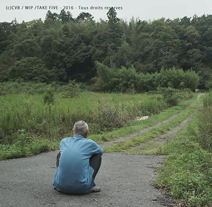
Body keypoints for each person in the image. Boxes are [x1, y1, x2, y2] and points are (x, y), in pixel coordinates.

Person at [53, 120, 104, 195]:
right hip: (81, 188)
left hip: (59, 186)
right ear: (87, 132)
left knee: (61, 153)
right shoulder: (90, 143)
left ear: (73, 131)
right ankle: (89, 185)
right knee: (97, 155)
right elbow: (101, 151)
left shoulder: (64, 141)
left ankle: (61, 181)